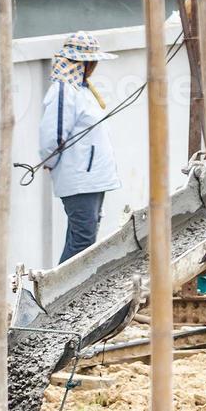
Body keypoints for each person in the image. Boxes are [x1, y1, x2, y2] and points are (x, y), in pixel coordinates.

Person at [39, 31, 123, 262]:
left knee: (84, 237)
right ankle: (61, 295)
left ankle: (64, 293)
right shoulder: (64, 90)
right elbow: (52, 136)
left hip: (91, 177)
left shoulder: (81, 90)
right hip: (80, 177)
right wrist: (50, 162)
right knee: (83, 240)